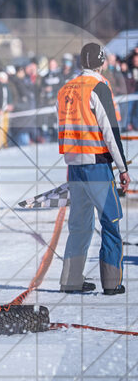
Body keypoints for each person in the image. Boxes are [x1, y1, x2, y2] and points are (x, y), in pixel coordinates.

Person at [58, 43, 130, 295]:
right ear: (101, 63)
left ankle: (70, 280)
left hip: (74, 166)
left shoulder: (66, 89)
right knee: (111, 222)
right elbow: (110, 130)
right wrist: (122, 167)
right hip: (96, 165)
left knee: (79, 225)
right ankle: (111, 283)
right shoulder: (98, 86)